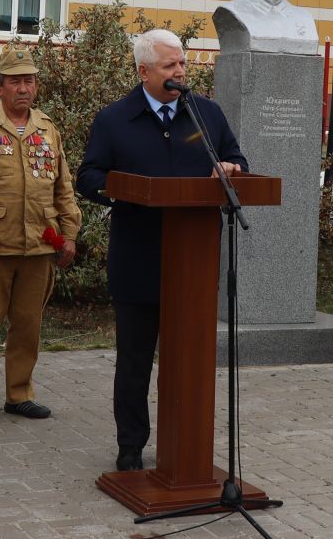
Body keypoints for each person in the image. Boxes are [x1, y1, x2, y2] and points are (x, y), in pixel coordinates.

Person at [78, 28, 245, 471]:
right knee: (135, 362)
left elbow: (237, 159)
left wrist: (230, 167)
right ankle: (131, 446)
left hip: (192, 263)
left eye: (183, 64)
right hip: (139, 260)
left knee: (189, 359)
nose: (179, 73)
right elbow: (89, 176)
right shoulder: (115, 119)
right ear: (144, 71)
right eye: (170, 66)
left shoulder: (205, 114)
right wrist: (125, 191)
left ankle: (185, 444)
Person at [0, 46, 81, 424]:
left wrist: (68, 232)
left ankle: (20, 394)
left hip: (39, 245)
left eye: (29, 80)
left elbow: (63, 187)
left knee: (28, 326)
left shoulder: (47, 129)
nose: (23, 88)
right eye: (15, 81)